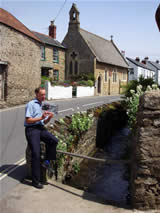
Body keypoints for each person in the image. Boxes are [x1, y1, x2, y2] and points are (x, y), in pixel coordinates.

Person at [24, 87, 58, 189]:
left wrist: (49, 118)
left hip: (40, 127)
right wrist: (41, 118)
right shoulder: (31, 104)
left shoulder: (42, 105)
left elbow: (44, 122)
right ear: (36, 94)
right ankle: (36, 181)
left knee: (54, 141)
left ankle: (46, 162)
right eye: (42, 94)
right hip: (31, 129)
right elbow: (28, 120)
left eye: (45, 94)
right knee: (36, 154)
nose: (44, 96)